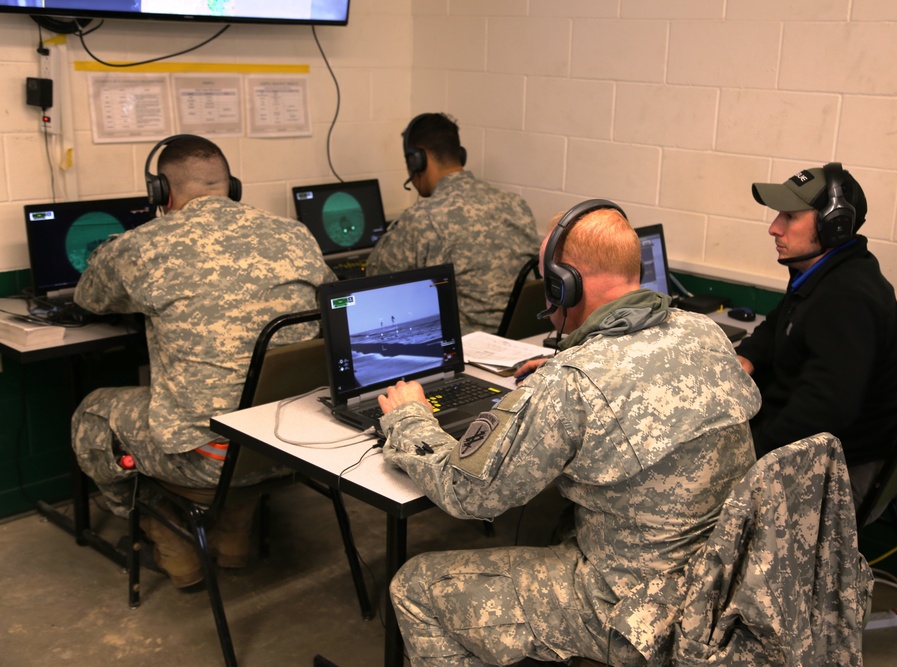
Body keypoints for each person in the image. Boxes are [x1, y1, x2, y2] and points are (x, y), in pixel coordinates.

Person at [376, 201, 761, 665]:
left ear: (566, 284)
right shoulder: (707, 334)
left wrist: (410, 418)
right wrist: (563, 367)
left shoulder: (571, 383)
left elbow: (467, 494)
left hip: (633, 610)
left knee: (416, 586)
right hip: (717, 583)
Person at [71, 134, 336, 588]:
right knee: (242, 410)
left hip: (208, 462)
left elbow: (89, 297)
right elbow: (330, 300)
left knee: (91, 414)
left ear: (161, 192)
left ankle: (169, 538)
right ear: (231, 186)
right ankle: (233, 537)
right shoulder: (296, 235)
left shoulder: (145, 245)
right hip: (294, 443)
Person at [734, 163, 897, 512]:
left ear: (834, 224)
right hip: (825, 446)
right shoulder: (824, 273)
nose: (774, 228)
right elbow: (779, 323)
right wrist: (749, 357)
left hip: (845, 467)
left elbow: (824, 410)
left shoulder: (846, 296)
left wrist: (750, 455)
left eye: (789, 217)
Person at [366, 112, 539, 334]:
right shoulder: (515, 204)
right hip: (524, 339)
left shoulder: (422, 218)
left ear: (416, 160)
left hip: (468, 350)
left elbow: (374, 283)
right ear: (461, 155)